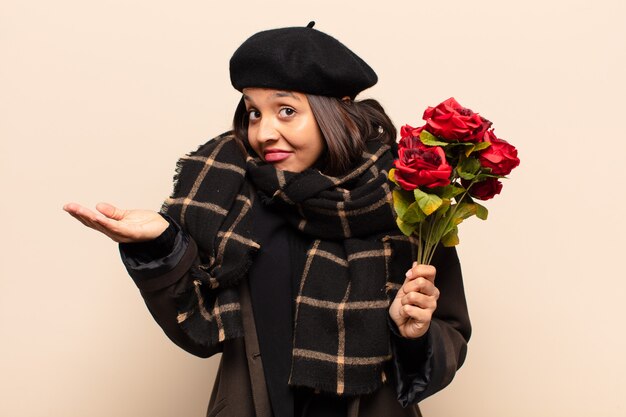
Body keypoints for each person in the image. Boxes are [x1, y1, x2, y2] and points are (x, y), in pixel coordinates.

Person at [64, 22, 471, 417]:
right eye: (254, 112)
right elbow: (198, 328)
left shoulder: (409, 206)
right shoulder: (230, 196)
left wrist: (412, 335)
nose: (264, 132)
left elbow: (450, 335)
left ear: (339, 113)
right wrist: (162, 243)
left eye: (287, 110)